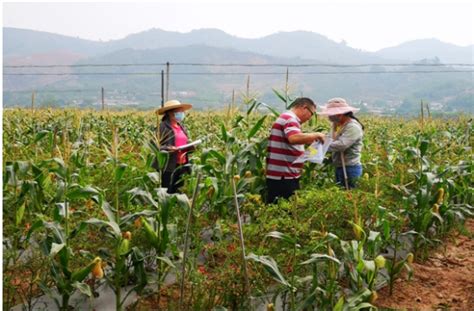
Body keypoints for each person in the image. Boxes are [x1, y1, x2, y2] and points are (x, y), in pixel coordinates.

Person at [266, 97, 325, 203]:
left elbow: (290, 140)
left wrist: (311, 142)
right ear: (304, 108)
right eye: (311, 114)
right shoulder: (290, 119)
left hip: (282, 174)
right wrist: (316, 134)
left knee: (277, 208)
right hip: (284, 176)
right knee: (285, 210)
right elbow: (293, 138)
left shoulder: (287, 117)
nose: (309, 119)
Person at [318, 98, 364, 189]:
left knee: (350, 195)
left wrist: (320, 146)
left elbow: (341, 145)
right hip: (339, 166)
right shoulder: (336, 125)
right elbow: (329, 139)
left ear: (339, 114)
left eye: (330, 114)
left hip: (350, 168)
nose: (328, 116)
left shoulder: (352, 127)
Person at [154, 99, 194, 193]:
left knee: (179, 190)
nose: (182, 113)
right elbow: (155, 145)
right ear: (170, 113)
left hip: (182, 164)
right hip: (169, 165)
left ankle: (176, 207)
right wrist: (168, 148)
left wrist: (190, 147)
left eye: (182, 111)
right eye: (179, 111)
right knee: (168, 191)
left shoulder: (181, 127)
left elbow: (184, 142)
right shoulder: (163, 127)